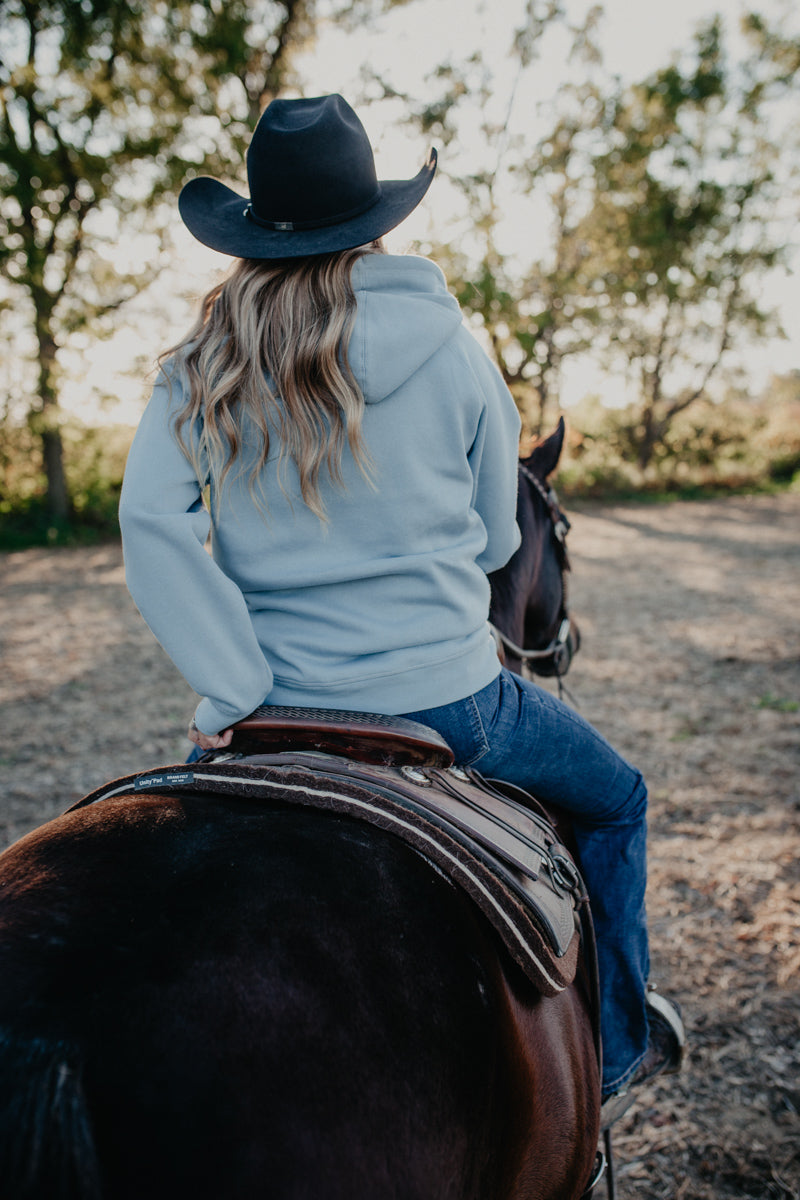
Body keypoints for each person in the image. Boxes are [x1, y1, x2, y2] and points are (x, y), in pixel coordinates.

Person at [118, 93, 683, 1122]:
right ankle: (613, 1045)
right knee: (617, 800)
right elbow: (501, 537)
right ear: (375, 220)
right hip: (450, 702)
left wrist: (230, 685)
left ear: (253, 230)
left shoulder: (199, 366)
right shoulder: (455, 351)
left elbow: (149, 523)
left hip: (267, 707)